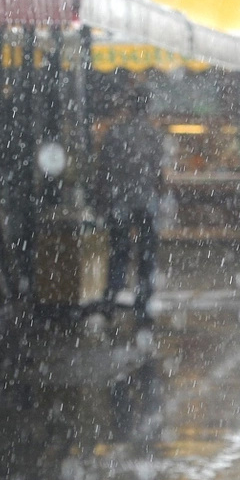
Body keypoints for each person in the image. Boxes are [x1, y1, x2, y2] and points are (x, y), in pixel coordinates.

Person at [97, 85, 165, 318]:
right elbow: (158, 172)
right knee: (146, 252)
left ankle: (111, 294)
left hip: (120, 200)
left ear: (129, 106)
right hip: (146, 200)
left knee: (119, 250)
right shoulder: (153, 135)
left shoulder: (115, 133)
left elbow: (103, 169)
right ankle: (143, 298)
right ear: (147, 106)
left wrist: (104, 197)